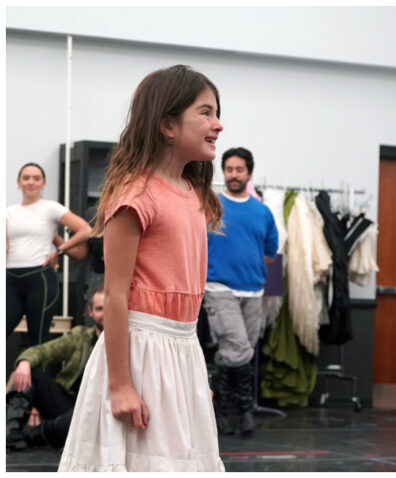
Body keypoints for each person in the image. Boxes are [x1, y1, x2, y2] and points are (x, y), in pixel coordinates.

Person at [58, 65, 226, 472]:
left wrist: (191, 372)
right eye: (205, 112)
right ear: (168, 124)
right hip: (141, 355)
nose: (218, 125)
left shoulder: (192, 193)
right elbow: (115, 294)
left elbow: (187, 308)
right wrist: (119, 385)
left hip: (181, 350)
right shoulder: (136, 194)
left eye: (217, 113)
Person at [204, 146, 278, 436]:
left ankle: (222, 410)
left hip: (254, 291)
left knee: (234, 351)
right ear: (224, 172)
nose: (233, 175)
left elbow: (270, 252)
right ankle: (244, 410)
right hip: (218, 287)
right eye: (229, 169)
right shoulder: (211, 205)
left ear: (249, 173)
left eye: (239, 170)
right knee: (240, 348)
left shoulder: (263, 212)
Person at [6, 286, 106, 450]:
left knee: (76, 421)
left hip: (98, 413)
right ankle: (10, 432)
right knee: (32, 371)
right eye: (100, 309)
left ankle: (31, 436)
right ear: (91, 311)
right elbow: (41, 351)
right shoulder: (80, 337)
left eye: (110, 307)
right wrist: (24, 363)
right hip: (69, 403)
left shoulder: (129, 341)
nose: (105, 314)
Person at [7, 163, 94, 346]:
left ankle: (38, 374)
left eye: (36, 178)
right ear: (18, 182)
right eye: (26, 178)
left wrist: (60, 250)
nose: (31, 182)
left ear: (43, 183)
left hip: (40, 278)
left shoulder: (50, 208)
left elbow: (85, 230)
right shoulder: (8, 212)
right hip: (10, 279)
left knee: (37, 340)